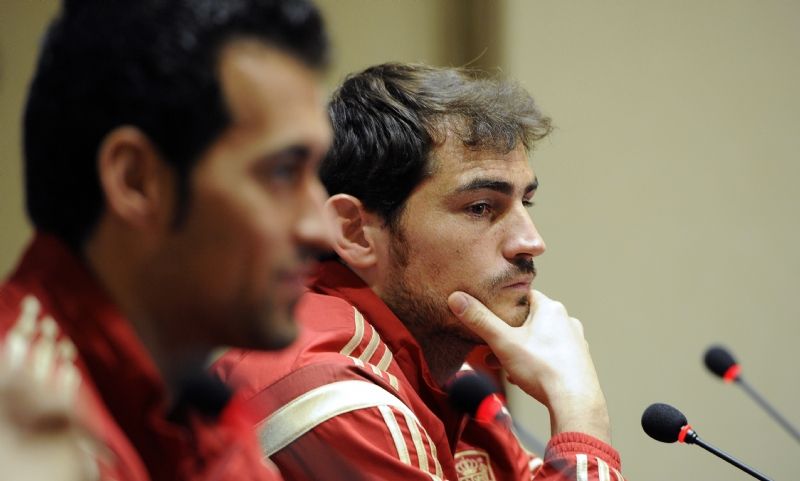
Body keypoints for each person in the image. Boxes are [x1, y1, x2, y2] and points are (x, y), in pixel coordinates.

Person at [214, 63, 626, 481]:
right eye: (481, 207)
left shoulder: (452, 379)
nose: (531, 242)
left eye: (527, 203)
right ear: (355, 232)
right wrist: (579, 408)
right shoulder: (335, 393)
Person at [0, 0, 332, 479]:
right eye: (282, 172)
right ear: (136, 181)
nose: (321, 229)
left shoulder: (197, 412)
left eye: (315, 174)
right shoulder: (26, 437)